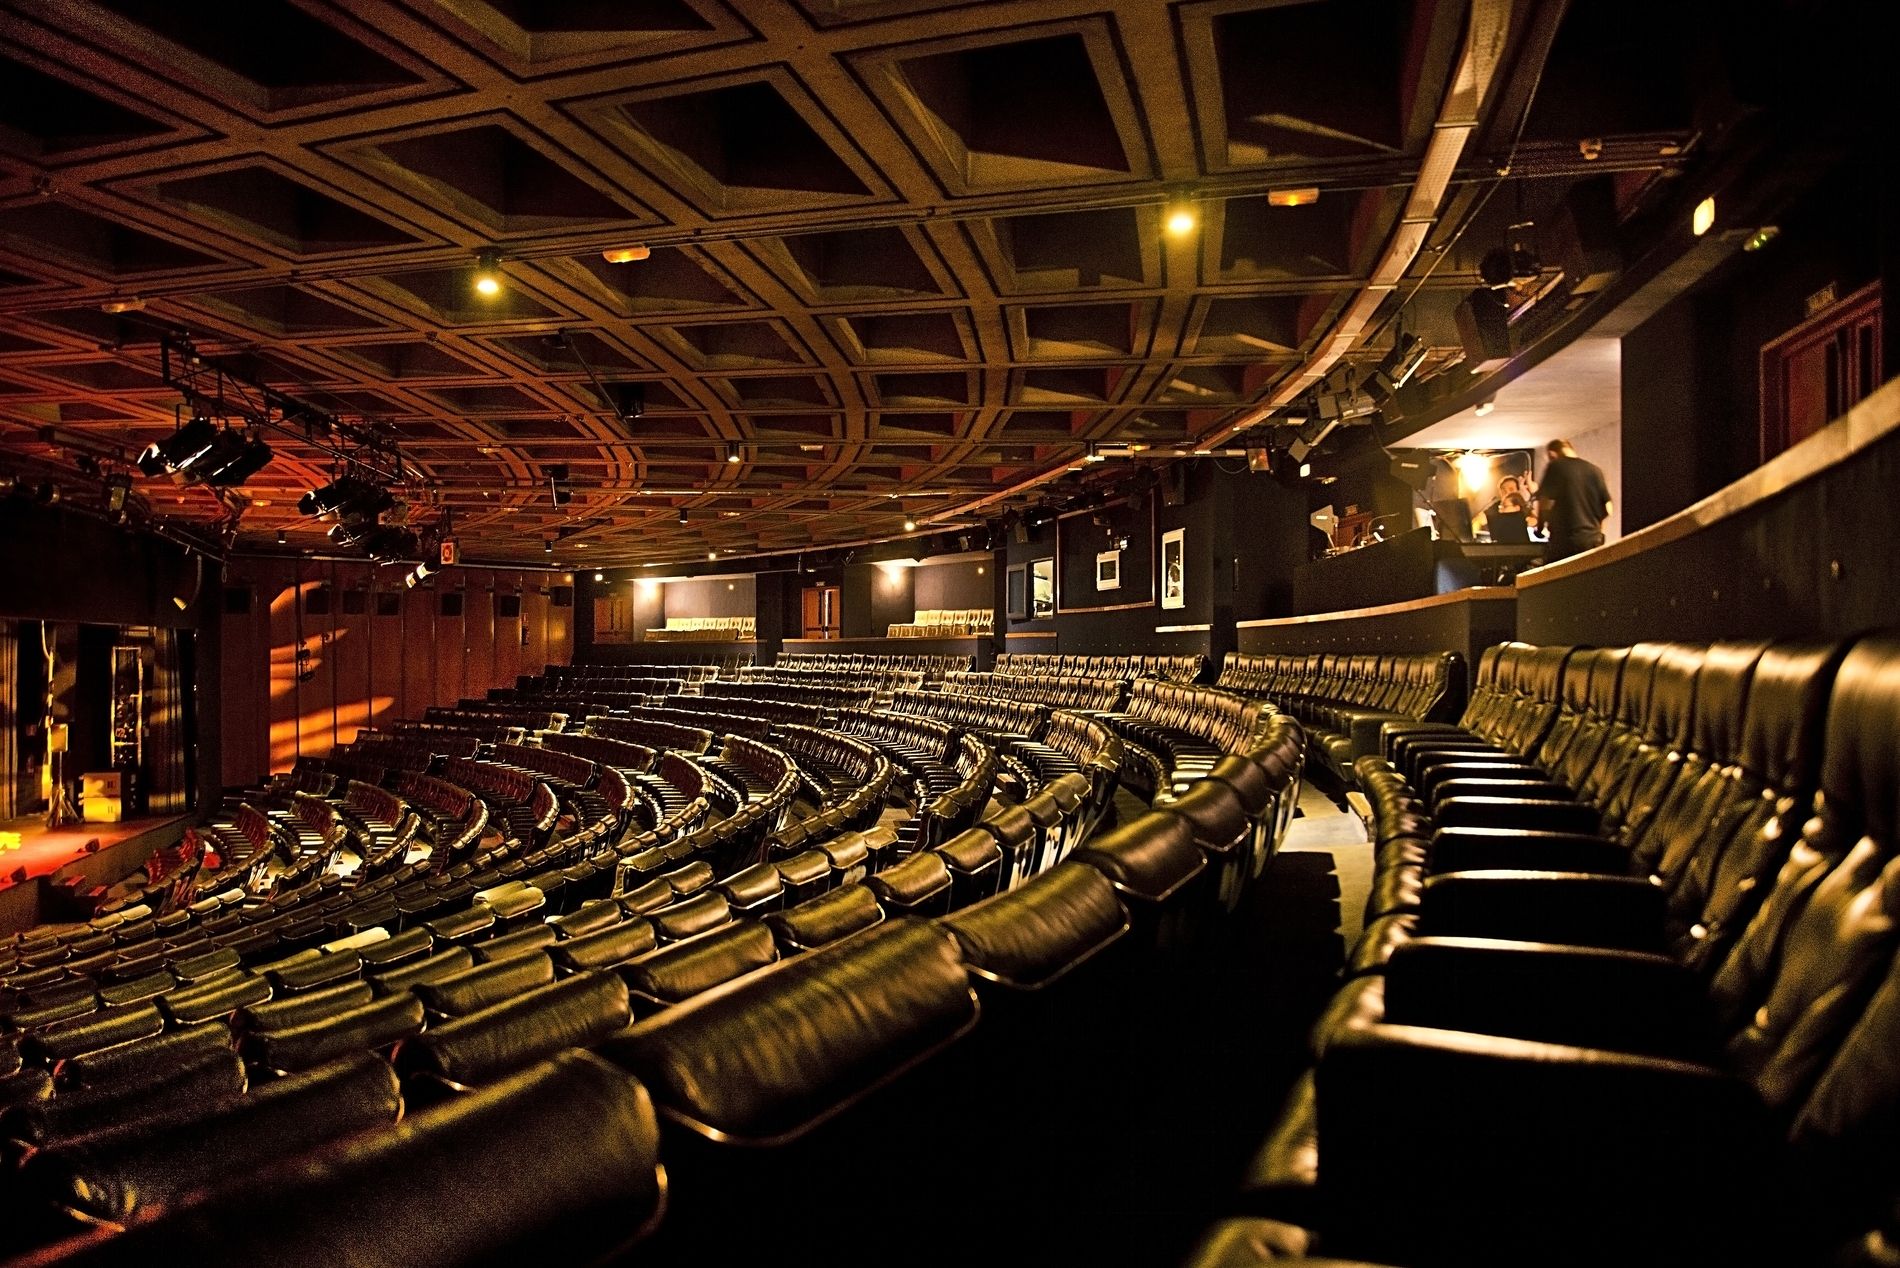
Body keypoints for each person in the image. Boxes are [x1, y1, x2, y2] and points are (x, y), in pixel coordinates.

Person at [1535, 439, 1612, 562]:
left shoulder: (1556, 466)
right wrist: (1597, 533)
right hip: (1592, 541)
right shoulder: (1595, 471)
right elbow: (1608, 508)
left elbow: (1545, 503)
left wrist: (1539, 529)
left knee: (1559, 578)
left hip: (1565, 541)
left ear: (1552, 454)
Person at [1480, 474, 1534, 544]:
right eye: (1503, 490)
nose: (1507, 493)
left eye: (1511, 489)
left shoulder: (1526, 508)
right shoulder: (1495, 507)